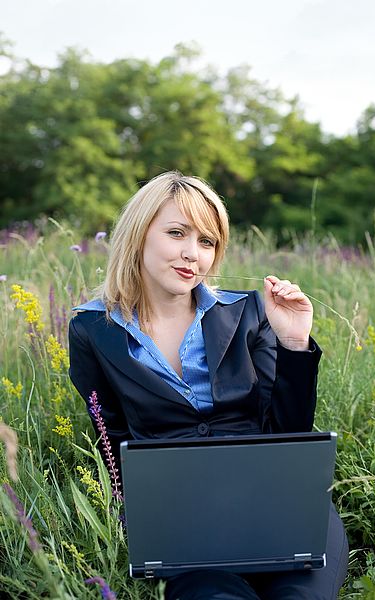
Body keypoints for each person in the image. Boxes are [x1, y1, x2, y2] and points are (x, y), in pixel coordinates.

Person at [68, 170, 349, 600]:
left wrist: (293, 343)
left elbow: (288, 433)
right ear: (139, 234)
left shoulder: (249, 311)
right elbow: (112, 439)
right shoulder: (93, 328)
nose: (191, 255)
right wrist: (145, 524)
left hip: (277, 498)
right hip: (182, 519)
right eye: (177, 233)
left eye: (207, 241)